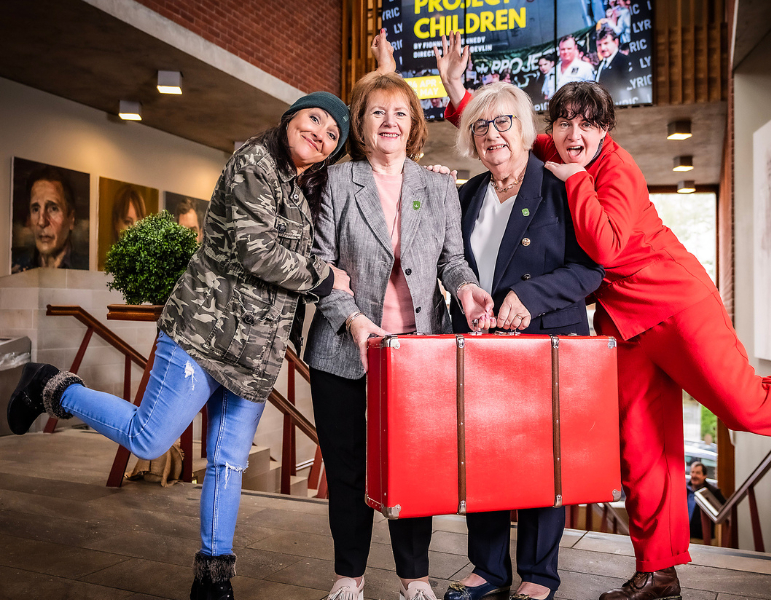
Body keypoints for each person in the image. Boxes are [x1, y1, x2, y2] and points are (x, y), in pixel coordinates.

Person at [431, 32, 771, 600]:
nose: (572, 136)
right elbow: (503, 130)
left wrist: (576, 181)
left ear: (606, 131)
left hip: (673, 303)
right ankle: (657, 570)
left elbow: (609, 248)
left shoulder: (613, 171)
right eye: (563, 123)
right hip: (623, 322)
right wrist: (456, 92)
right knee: (644, 446)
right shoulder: (555, 150)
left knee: (744, 404)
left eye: (587, 125)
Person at [7, 91, 353, 600]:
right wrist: (324, 279)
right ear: (291, 118)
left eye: (331, 136)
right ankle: (51, 388)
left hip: (255, 355)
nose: (319, 134)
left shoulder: (304, 193)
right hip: (203, 333)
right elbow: (255, 252)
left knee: (228, 462)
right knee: (150, 437)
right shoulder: (254, 162)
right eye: (314, 119)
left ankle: (213, 576)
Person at [303, 42, 495, 600]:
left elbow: (452, 260)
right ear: (361, 123)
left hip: (418, 351)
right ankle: (350, 574)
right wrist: (356, 322)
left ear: (413, 124)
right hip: (343, 350)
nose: (389, 121)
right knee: (348, 468)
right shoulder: (335, 182)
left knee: (413, 468)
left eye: (401, 112)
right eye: (377, 112)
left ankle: (415, 576)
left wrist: (465, 288)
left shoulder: (438, 187)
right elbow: (321, 265)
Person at [444, 82, 603, 600]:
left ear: (526, 129)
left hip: (547, 349)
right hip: (482, 350)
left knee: (542, 463)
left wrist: (530, 296)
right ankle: (488, 571)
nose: (493, 135)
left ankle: (538, 575)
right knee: (483, 458)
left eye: (504, 123)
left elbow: (591, 270)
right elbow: (453, 267)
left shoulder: (562, 187)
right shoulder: (466, 195)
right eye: (482, 126)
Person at [12, 166, 88, 272]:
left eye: (53, 209)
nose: (42, 222)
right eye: (35, 209)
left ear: (71, 218)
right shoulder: (16, 268)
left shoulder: (85, 268)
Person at [685, 462, 725, 541]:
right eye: (692, 472)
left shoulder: (712, 492)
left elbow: (723, 510)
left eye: (698, 473)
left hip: (702, 537)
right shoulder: (684, 489)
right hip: (683, 535)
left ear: (704, 476)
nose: (694, 475)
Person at [594, 27, 630, 96]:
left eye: (606, 43)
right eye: (599, 45)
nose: (602, 48)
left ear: (616, 42)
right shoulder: (600, 65)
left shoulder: (625, 61)